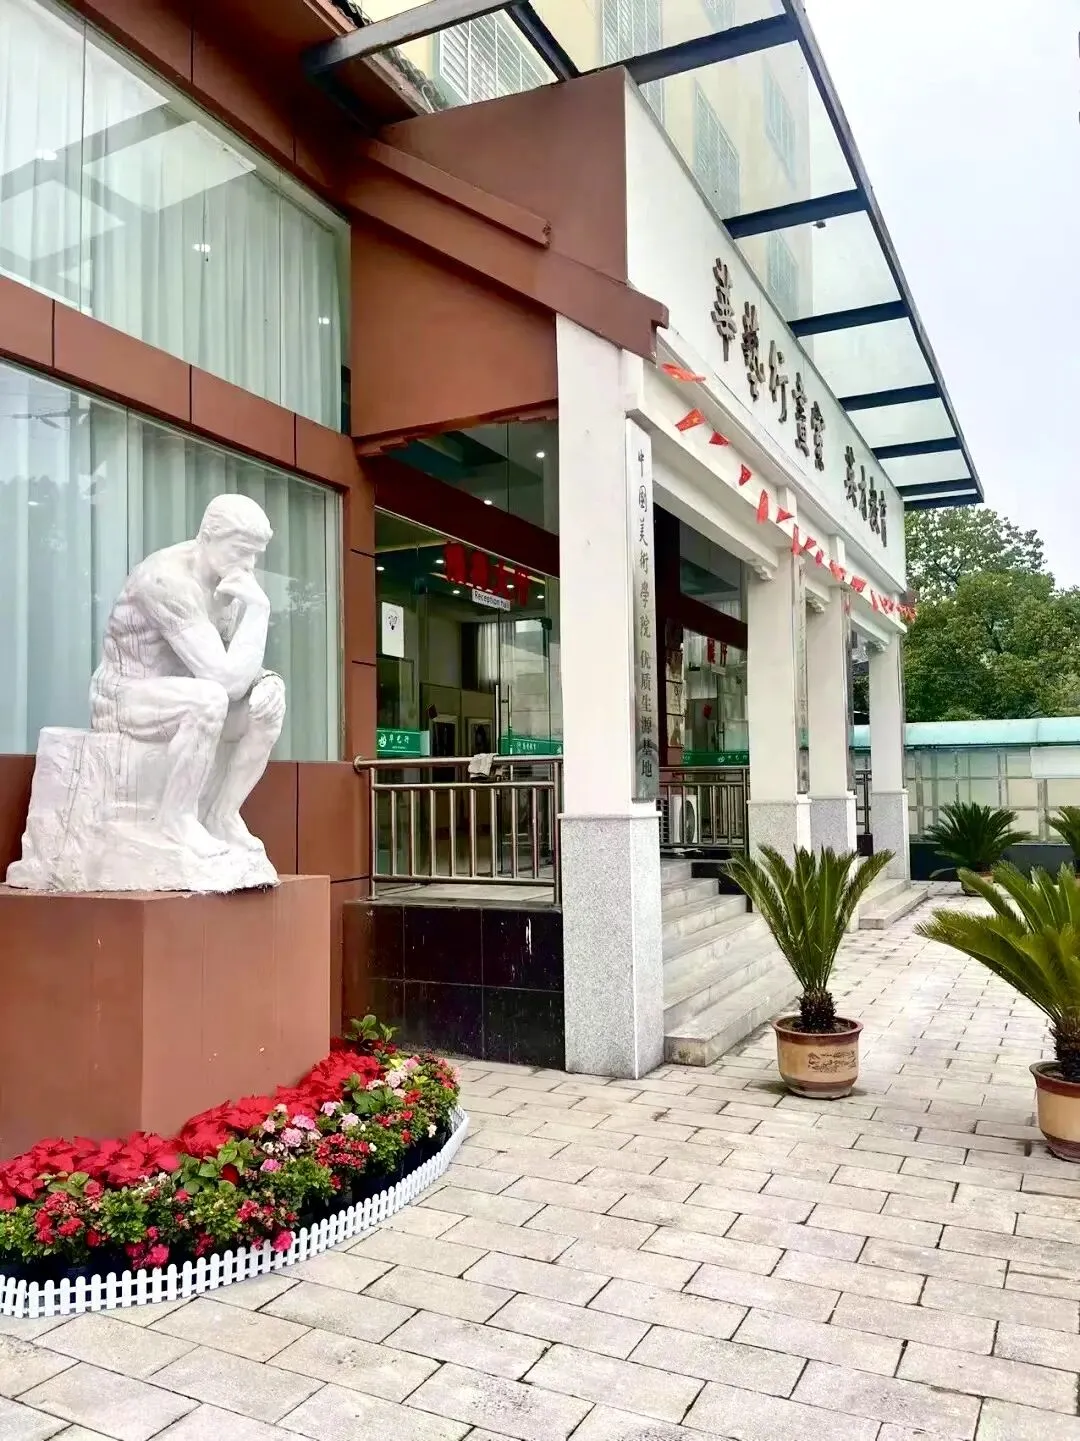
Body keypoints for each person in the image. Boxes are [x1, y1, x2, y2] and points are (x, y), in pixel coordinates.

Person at [90, 494, 286, 859]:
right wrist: (259, 611)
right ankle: (176, 818)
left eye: (255, 555)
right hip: (125, 696)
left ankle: (222, 815)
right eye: (240, 550)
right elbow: (225, 681)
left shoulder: (231, 584)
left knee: (268, 703)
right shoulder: (165, 580)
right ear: (207, 535)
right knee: (208, 699)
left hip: (186, 693)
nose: (248, 564)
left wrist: (265, 681)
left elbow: (231, 663)